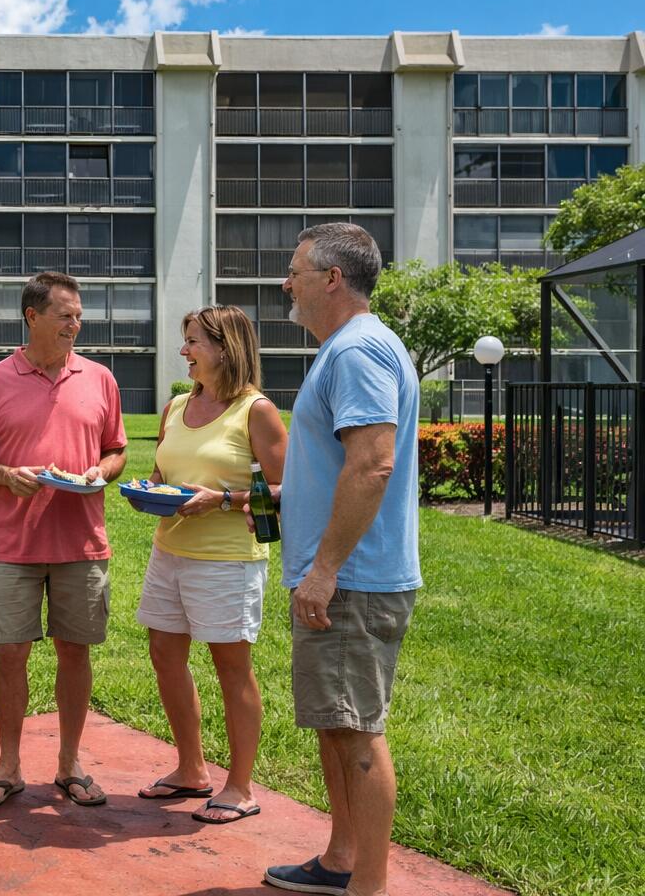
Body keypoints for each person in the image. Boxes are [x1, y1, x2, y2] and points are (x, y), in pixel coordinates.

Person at [261, 223, 420, 896]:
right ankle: (340, 862)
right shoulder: (347, 349)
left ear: (331, 278)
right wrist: (283, 495)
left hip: (350, 581)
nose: (285, 283)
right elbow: (341, 465)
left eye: (295, 270)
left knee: (357, 733)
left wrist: (324, 570)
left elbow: (373, 464)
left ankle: (368, 886)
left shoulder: (357, 350)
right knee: (336, 724)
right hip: (338, 576)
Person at [0, 271, 128, 810]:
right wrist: (6, 475)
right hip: (14, 546)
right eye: (65, 315)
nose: (76, 324)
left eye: (79, 316)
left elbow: (117, 450)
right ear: (33, 317)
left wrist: (102, 473)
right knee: (11, 653)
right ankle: (8, 766)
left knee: (75, 652)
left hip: (82, 543)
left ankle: (69, 764)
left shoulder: (100, 379)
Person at [136, 306, 286, 825]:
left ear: (225, 347)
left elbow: (286, 492)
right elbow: (164, 468)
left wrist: (221, 500)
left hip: (228, 561)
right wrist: (151, 488)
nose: (184, 351)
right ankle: (190, 769)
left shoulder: (256, 410)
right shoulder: (177, 405)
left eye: (193, 341)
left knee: (231, 667)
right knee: (164, 654)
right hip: (169, 549)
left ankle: (240, 787)